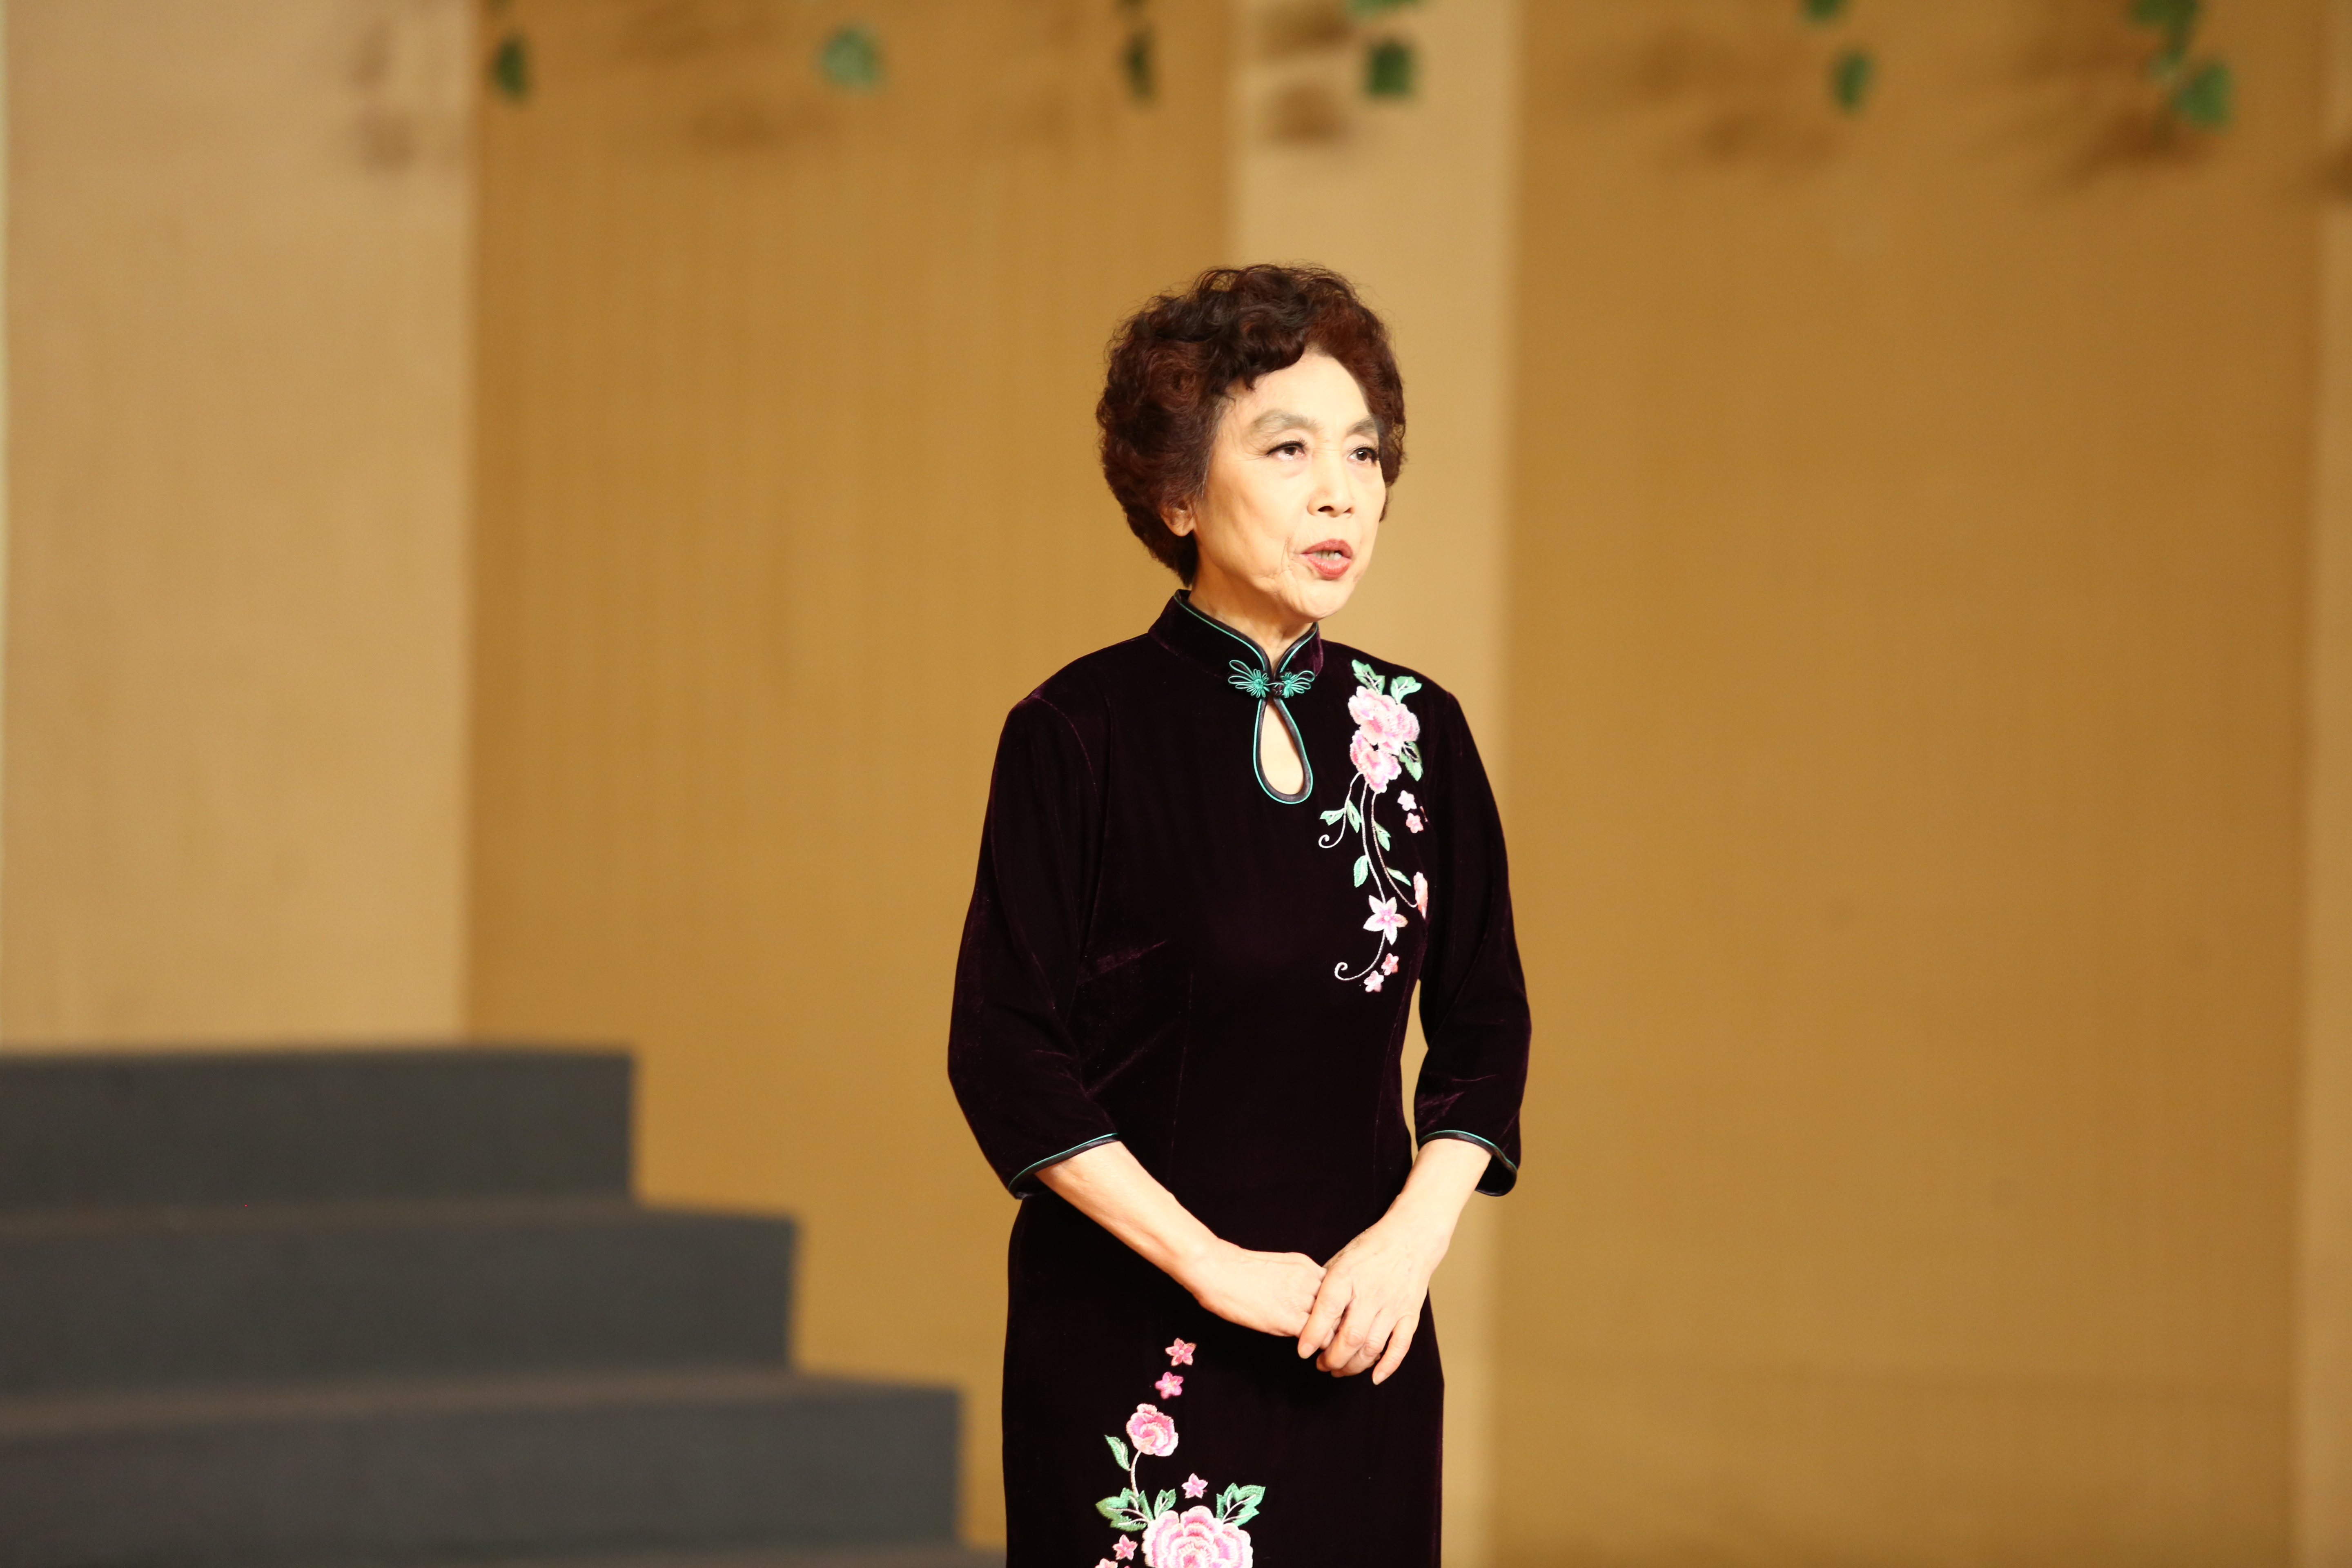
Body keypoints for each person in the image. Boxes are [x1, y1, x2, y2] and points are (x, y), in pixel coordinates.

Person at [949, 264, 1530, 1568]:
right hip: (1136, 1338)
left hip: (1360, 1330)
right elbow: (1005, 1052)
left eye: (1364, 453)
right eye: (1288, 449)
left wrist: (1408, 1247)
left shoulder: (1419, 731)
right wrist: (1211, 1264)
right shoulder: (1076, 732)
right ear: (1176, 494)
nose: (1342, 492)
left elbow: (1487, 1021)